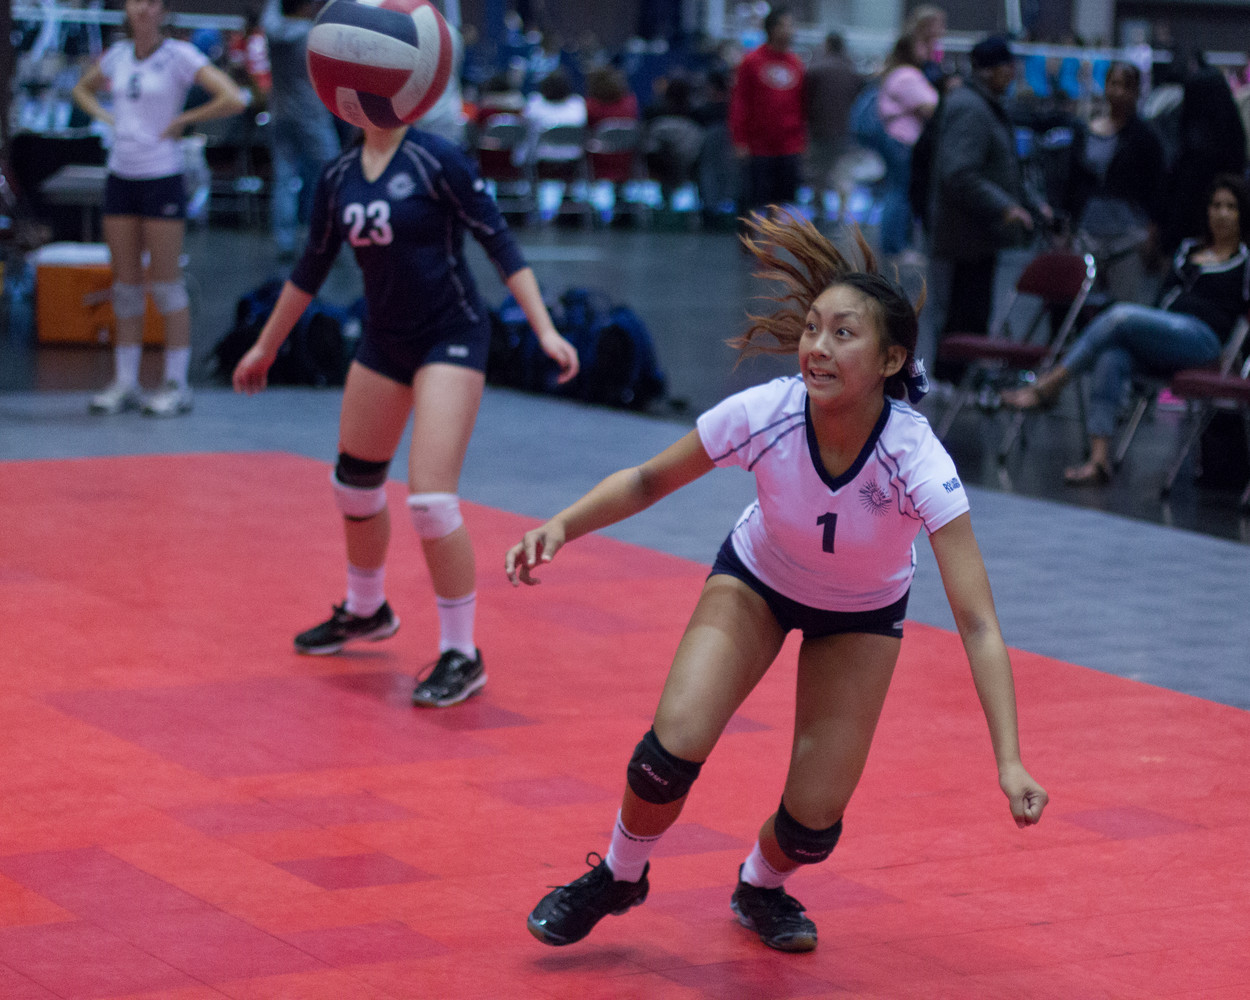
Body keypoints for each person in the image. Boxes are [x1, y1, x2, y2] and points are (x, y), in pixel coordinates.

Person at [506, 210, 1048, 953]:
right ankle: (620, 875)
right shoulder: (768, 413)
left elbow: (977, 621)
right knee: (666, 756)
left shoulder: (916, 458)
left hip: (860, 616)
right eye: (812, 329)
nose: (817, 347)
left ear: (891, 360)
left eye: (843, 334)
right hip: (757, 582)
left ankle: (761, 885)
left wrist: (1009, 758)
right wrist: (561, 527)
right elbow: (646, 479)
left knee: (812, 826)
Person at [232, 119, 579, 706]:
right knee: (353, 485)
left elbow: (499, 242)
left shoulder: (435, 159)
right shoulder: (339, 175)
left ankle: (462, 653)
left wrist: (544, 328)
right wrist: (265, 348)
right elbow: (310, 268)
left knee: (431, 502)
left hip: (452, 335)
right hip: (384, 341)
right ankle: (366, 610)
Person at [1002, 175, 1250, 485]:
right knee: (1113, 354)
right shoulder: (1188, 250)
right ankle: (1098, 460)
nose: (1222, 213)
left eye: (1231, 207)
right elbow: (1162, 300)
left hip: (1204, 341)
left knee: (1120, 315)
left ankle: (1051, 383)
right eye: (1216, 205)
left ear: (1242, 213)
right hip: (1165, 334)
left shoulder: (1245, 261)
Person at [71, 0, 247, 416]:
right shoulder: (117, 56)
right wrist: (105, 117)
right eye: (136, 2)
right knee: (126, 285)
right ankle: (125, 381)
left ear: (163, 10)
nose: (143, 10)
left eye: (151, 3)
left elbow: (234, 97)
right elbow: (81, 90)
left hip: (161, 175)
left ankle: (175, 383)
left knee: (166, 284)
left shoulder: (178, 56)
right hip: (121, 174)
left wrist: (185, 120)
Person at [920, 34, 1044, 381]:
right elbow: (959, 173)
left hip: (976, 238)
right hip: (962, 239)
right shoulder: (971, 108)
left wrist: (1031, 205)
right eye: (1007, 67)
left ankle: (962, 380)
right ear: (992, 70)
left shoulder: (983, 105)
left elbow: (1001, 170)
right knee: (958, 316)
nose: (1013, 74)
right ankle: (950, 381)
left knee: (970, 313)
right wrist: (1005, 208)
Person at [1061, 61, 1165, 304]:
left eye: (1126, 86)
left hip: (1128, 234)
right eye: (1114, 84)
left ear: (1136, 92)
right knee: (1082, 304)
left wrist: (1153, 231)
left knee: (1124, 304)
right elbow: (1073, 182)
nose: (1119, 92)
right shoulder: (1086, 131)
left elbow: (1158, 187)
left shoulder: (1146, 137)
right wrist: (1067, 224)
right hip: (1088, 229)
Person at [262, 0, 342, 260]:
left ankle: (285, 241)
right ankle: (325, 238)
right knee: (328, 177)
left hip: (280, 115)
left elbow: (268, 18)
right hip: (312, 117)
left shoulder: (274, 33)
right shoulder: (313, 35)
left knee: (284, 179)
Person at [729, 5, 806, 237]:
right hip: (758, 145)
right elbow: (740, 102)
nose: (790, 31)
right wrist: (740, 140)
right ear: (772, 29)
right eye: (785, 25)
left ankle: (771, 238)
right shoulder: (751, 61)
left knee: (779, 198)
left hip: (788, 143)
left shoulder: (796, 63)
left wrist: (800, 139)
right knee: (754, 196)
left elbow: (800, 104)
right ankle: (749, 238)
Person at [876, 34, 938, 257]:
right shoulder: (906, 75)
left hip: (899, 139)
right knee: (900, 193)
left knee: (897, 191)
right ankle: (895, 247)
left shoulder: (899, 73)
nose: (926, 49)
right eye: (920, 44)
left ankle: (894, 245)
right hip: (904, 140)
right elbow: (929, 107)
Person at [802, 32, 860, 224]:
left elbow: (805, 100)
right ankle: (843, 212)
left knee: (818, 171)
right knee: (842, 172)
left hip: (819, 128)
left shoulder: (815, 70)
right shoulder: (851, 72)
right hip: (845, 129)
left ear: (827, 45)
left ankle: (819, 209)